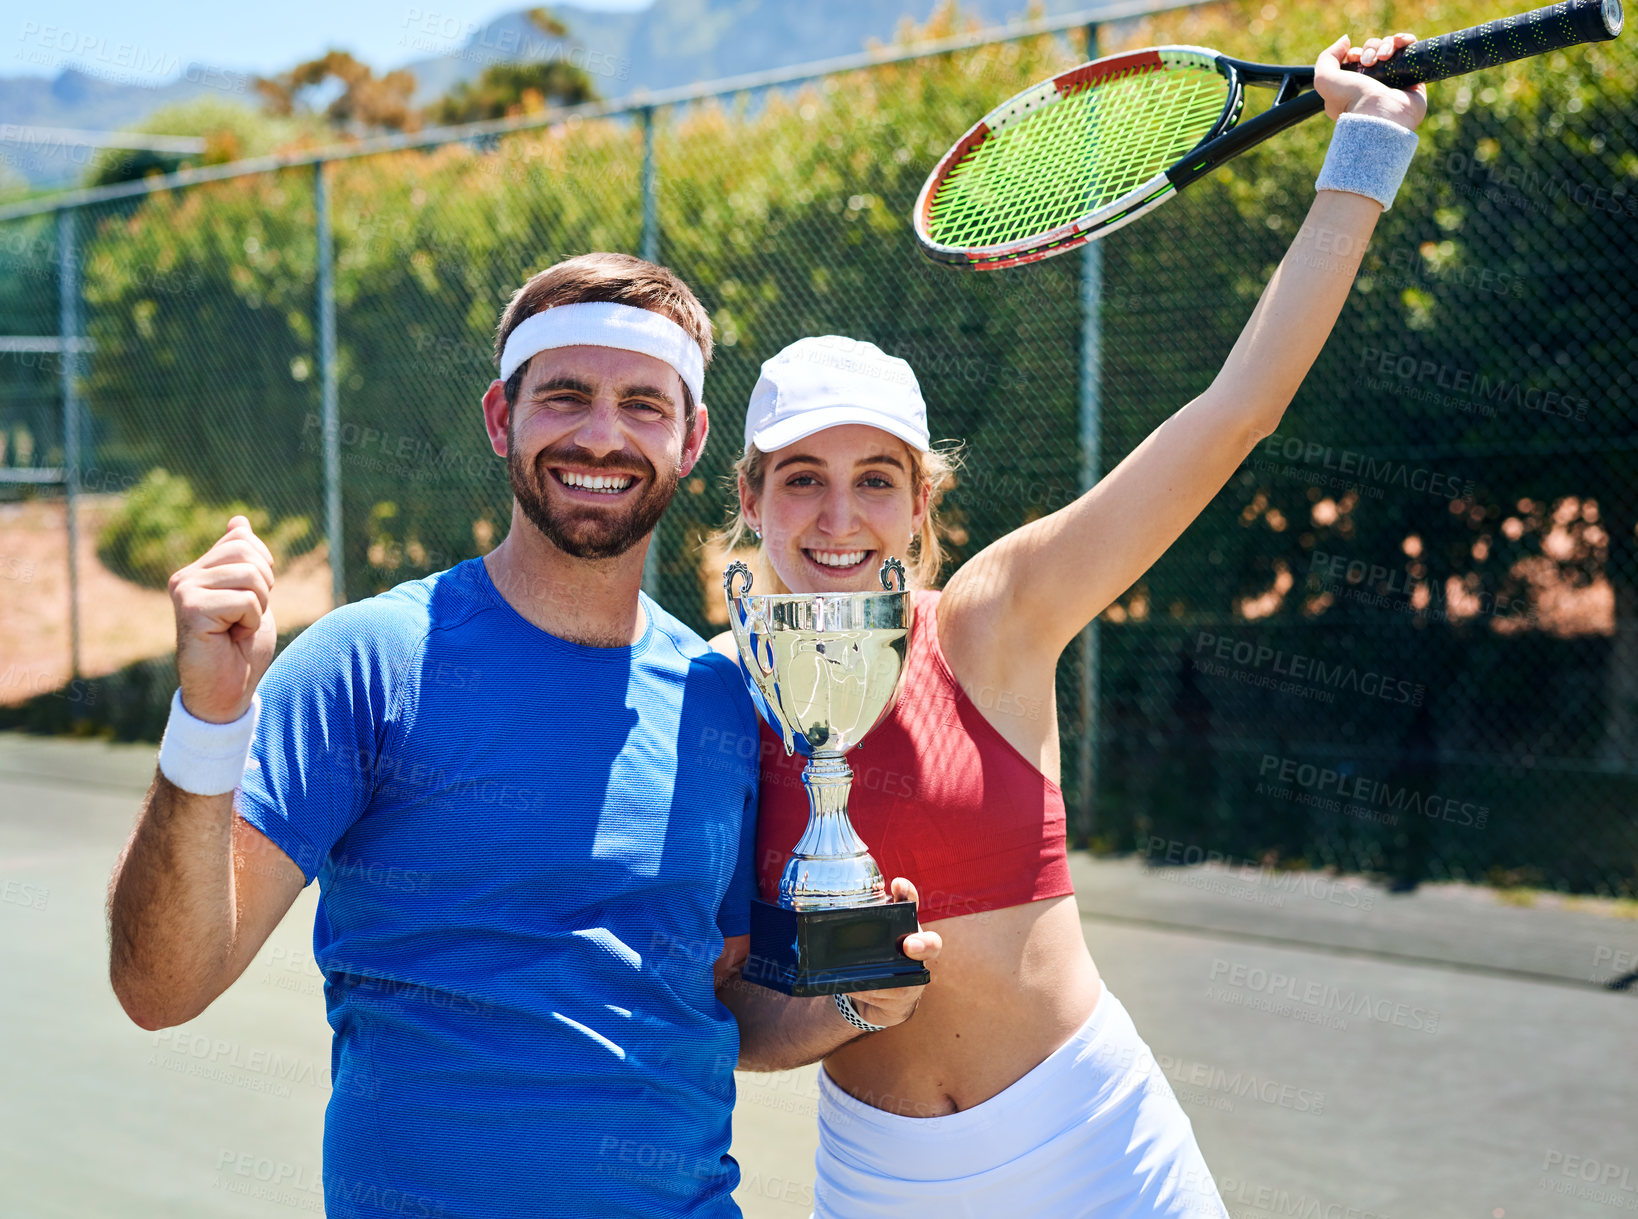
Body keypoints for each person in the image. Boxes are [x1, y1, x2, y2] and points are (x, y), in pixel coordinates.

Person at [712, 33, 1427, 1218]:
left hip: (1101, 1154)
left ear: (921, 498)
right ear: (749, 496)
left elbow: (1232, 414)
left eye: (877, 478)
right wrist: (844, 1005)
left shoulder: (998, 617)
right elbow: (718, 1011)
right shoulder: (705, 697)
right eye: (801, 479)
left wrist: (1362, 151)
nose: (840, 517)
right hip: (882, 1182)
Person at [105, 252, 940, 1219]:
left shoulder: (722, 698)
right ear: (502, 417)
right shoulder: (367, 663)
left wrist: (851, 998)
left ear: (692, 436)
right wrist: (207, 721)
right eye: (566, 396)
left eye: (643, 404)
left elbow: (712, 1000)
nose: (602, 434)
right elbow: (160, 987)